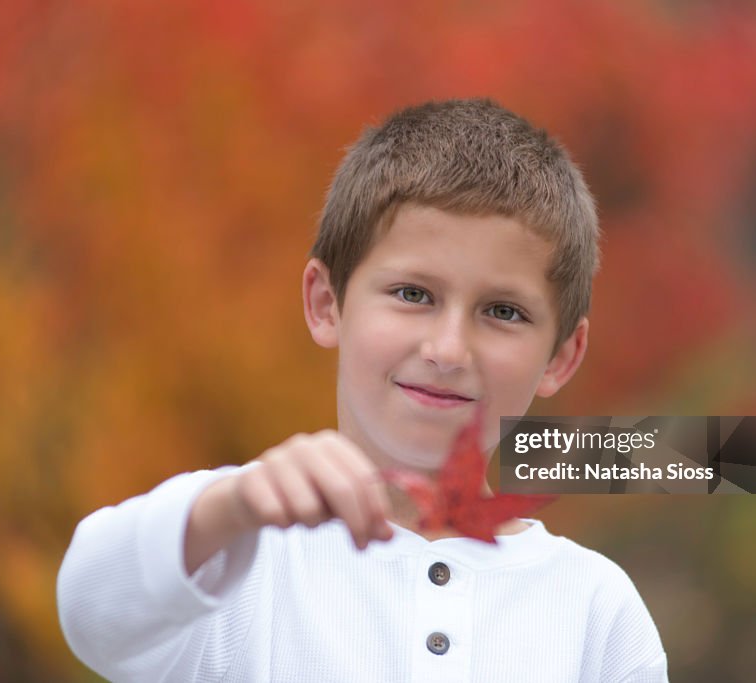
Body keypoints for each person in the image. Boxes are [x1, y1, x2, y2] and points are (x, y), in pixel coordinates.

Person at [56, 98, 668, 682]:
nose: (448, 350)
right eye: (413, 294)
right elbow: (91, 608)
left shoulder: (595, 610)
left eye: (503, 311)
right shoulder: (236, 558)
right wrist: (232, 507)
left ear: (562, 356)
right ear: (327, 304)